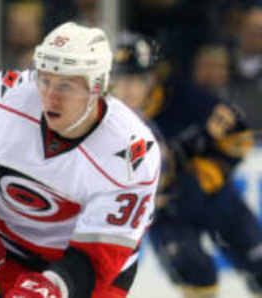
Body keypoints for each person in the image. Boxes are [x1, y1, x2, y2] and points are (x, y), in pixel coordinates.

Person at [0, 22, 161, 298]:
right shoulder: (6, 98)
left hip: (87, 270)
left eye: (66, 85)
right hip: (1, 247)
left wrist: (52, 287)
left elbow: (100, 257)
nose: (50, 97)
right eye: (44, 80)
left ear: (97, 88)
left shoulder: (131, 154)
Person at [112, 31, 261, 298]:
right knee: (197, 278)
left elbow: (240, 132)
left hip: (214, 197)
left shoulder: (185, 99)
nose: (126, 89)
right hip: (167, 213)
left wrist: (211, 170)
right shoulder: (104, 121)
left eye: (134, 79)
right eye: (119, 80)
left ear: (151, 78)